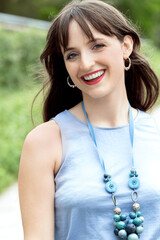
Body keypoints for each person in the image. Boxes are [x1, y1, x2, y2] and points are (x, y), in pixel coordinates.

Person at [18, 0, 160, 239]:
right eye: (72, 54)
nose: (85, 63)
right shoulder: (44, 142)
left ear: (126, 46)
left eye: (97, 45)